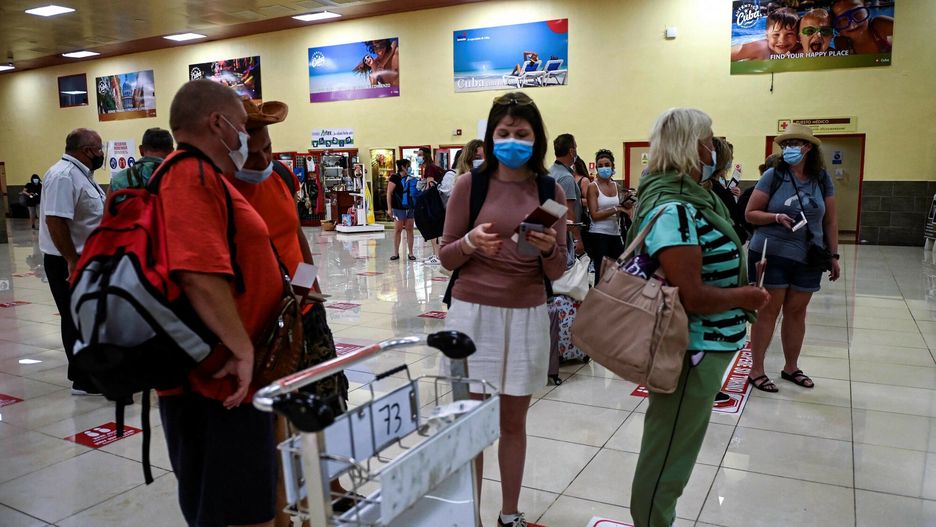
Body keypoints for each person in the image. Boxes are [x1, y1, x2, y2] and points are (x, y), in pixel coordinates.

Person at [627, 108, 769, 527]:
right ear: (690, 147)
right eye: (709, 139)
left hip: (706, 345)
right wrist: (745, 295)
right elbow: (690, 295)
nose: (715, 147)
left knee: (675, 452)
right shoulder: (676, 208)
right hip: (690, 348)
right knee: (668, 456)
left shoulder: (695, 199)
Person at [156, 79, 284, 527]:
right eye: (242, 127)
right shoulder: (187, 175)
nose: (247, 139)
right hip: (217, 386)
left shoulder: (208, 177)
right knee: (239, 515)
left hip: (232, 383)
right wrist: (243, 349)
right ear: (218, 122)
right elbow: (198, 275)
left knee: (249, 508)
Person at [439, 92, 567, 527]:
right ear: (491, 138)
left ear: (537, 138)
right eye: (504, 133)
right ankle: (468, 516)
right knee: (472, 426)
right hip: (472, 313)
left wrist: (549, 249)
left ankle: (509, 513)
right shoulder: (469, 185)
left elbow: (559, 266)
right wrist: (470, 242)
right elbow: (445, 256)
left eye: (522, 133)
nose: (512, 140)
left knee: (514, 422)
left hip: (527, 312)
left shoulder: (550, 190)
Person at [230, 97, 351, 524]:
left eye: (268, 147)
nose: (263, 157)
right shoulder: (224, 191)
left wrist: (307, 288)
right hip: (266, 322)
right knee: (277, 417)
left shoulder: (277, 176)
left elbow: (296, 236)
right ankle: (288, 501)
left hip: (304, 307)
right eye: (254, 151)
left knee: (326, 396)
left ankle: (330, 481)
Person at [744, 123, 840, 393]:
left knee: (797, 312)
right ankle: (757, 370)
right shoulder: (773, 176)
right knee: (768, 311)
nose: (788, 149)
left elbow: (831, 220)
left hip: (809, 255)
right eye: (785, 145)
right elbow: (750, 213)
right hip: (771, 252)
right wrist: (775, 217)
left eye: (794, 144)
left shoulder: (822, 179)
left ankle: (791, 367)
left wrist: (833, 254)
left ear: (808, 147)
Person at [39, 128, 106, 395]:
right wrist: (72, 260)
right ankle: (83, 380)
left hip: (86, 259)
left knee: (88, 317)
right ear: (87, 150)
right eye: (100, 148)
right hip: (68, 261)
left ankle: (92, 370)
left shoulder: (83, 175)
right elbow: (55, 220)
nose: (102, 153)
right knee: (75, 317)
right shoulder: (63, 176)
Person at [584, 149, 625, 283]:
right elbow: (594, 214)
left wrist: (625, 207)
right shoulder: (593, 186)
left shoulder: (617, 186)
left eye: (607, 165)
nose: (604, 168)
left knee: (618, 272)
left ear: (613, 166)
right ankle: (599, 301)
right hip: (599, 234)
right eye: (600, 166)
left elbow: (619, 210)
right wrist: (616, 208)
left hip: (615, 233)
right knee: (601, 273)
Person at [549, 133, 585, 257]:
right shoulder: (566, 177)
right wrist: (577, 239)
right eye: (576, 147)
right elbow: (569, 211)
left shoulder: (551, 172)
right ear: (571, 151)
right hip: (563, 235)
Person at [109, 127, 174, 193]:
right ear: (172, 152)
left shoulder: (117, 181)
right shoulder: (179, 177)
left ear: (141, 150)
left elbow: (108, 202)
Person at [731, 7, 800, 61]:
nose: (782, 40)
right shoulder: (760, 47)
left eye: (789, 34)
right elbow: (725, 55)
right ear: (767, 35)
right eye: (776, 34)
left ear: (797, 35)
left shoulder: (798, 48)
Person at [417, 146, 445, 265]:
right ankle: (435, 254)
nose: (418, 157)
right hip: (439, 200)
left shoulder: (429, 168)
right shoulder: (434, 167)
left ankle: (437, 256)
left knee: (433, 228)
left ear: (425, 155)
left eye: (419, 155)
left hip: (433, 201)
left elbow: (430, 185)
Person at [387, 159, 416, 261]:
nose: (410, 167)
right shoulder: (395, 177)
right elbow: (389, 193)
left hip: (410, 207)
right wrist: (389, 209)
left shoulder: (411, 177)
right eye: (408, 165)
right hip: (398, 207)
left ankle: (411, 253)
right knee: (398, 229)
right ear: (403, 167)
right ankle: (396, 253)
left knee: (410, 229)